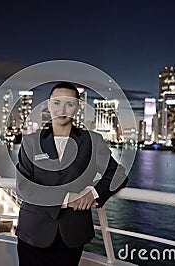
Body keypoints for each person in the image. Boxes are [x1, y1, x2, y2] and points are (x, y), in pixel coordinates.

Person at [15, 82, 129, 266]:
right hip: (33, 231)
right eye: (57, 102)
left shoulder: (92, 141)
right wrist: (68, 198)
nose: (62, 109)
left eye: (69, 103)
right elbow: (24, 187)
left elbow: (118, 174)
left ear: (77, 107)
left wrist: (93, 192)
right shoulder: (30, 141)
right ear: (49, 104)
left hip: (72, 232)